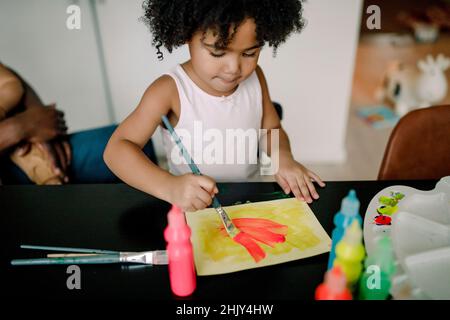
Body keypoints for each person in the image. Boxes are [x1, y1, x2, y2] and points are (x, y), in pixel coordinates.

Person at [104, 0, 325, 212]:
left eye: (250, 53)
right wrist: (169, 186)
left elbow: (271, 129)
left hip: (248, 203)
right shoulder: (169, 90)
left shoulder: (256, 77)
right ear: (186, 35)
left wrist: (282, 158)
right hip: (191, 208)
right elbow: (117, 150)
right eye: (217, 52)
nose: (234, 68)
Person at [0, 63, 156, 184]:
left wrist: (37, 121)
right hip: (13, 156)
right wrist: (16, 128)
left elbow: (13, 84)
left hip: (22, 147)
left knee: (136, 146)